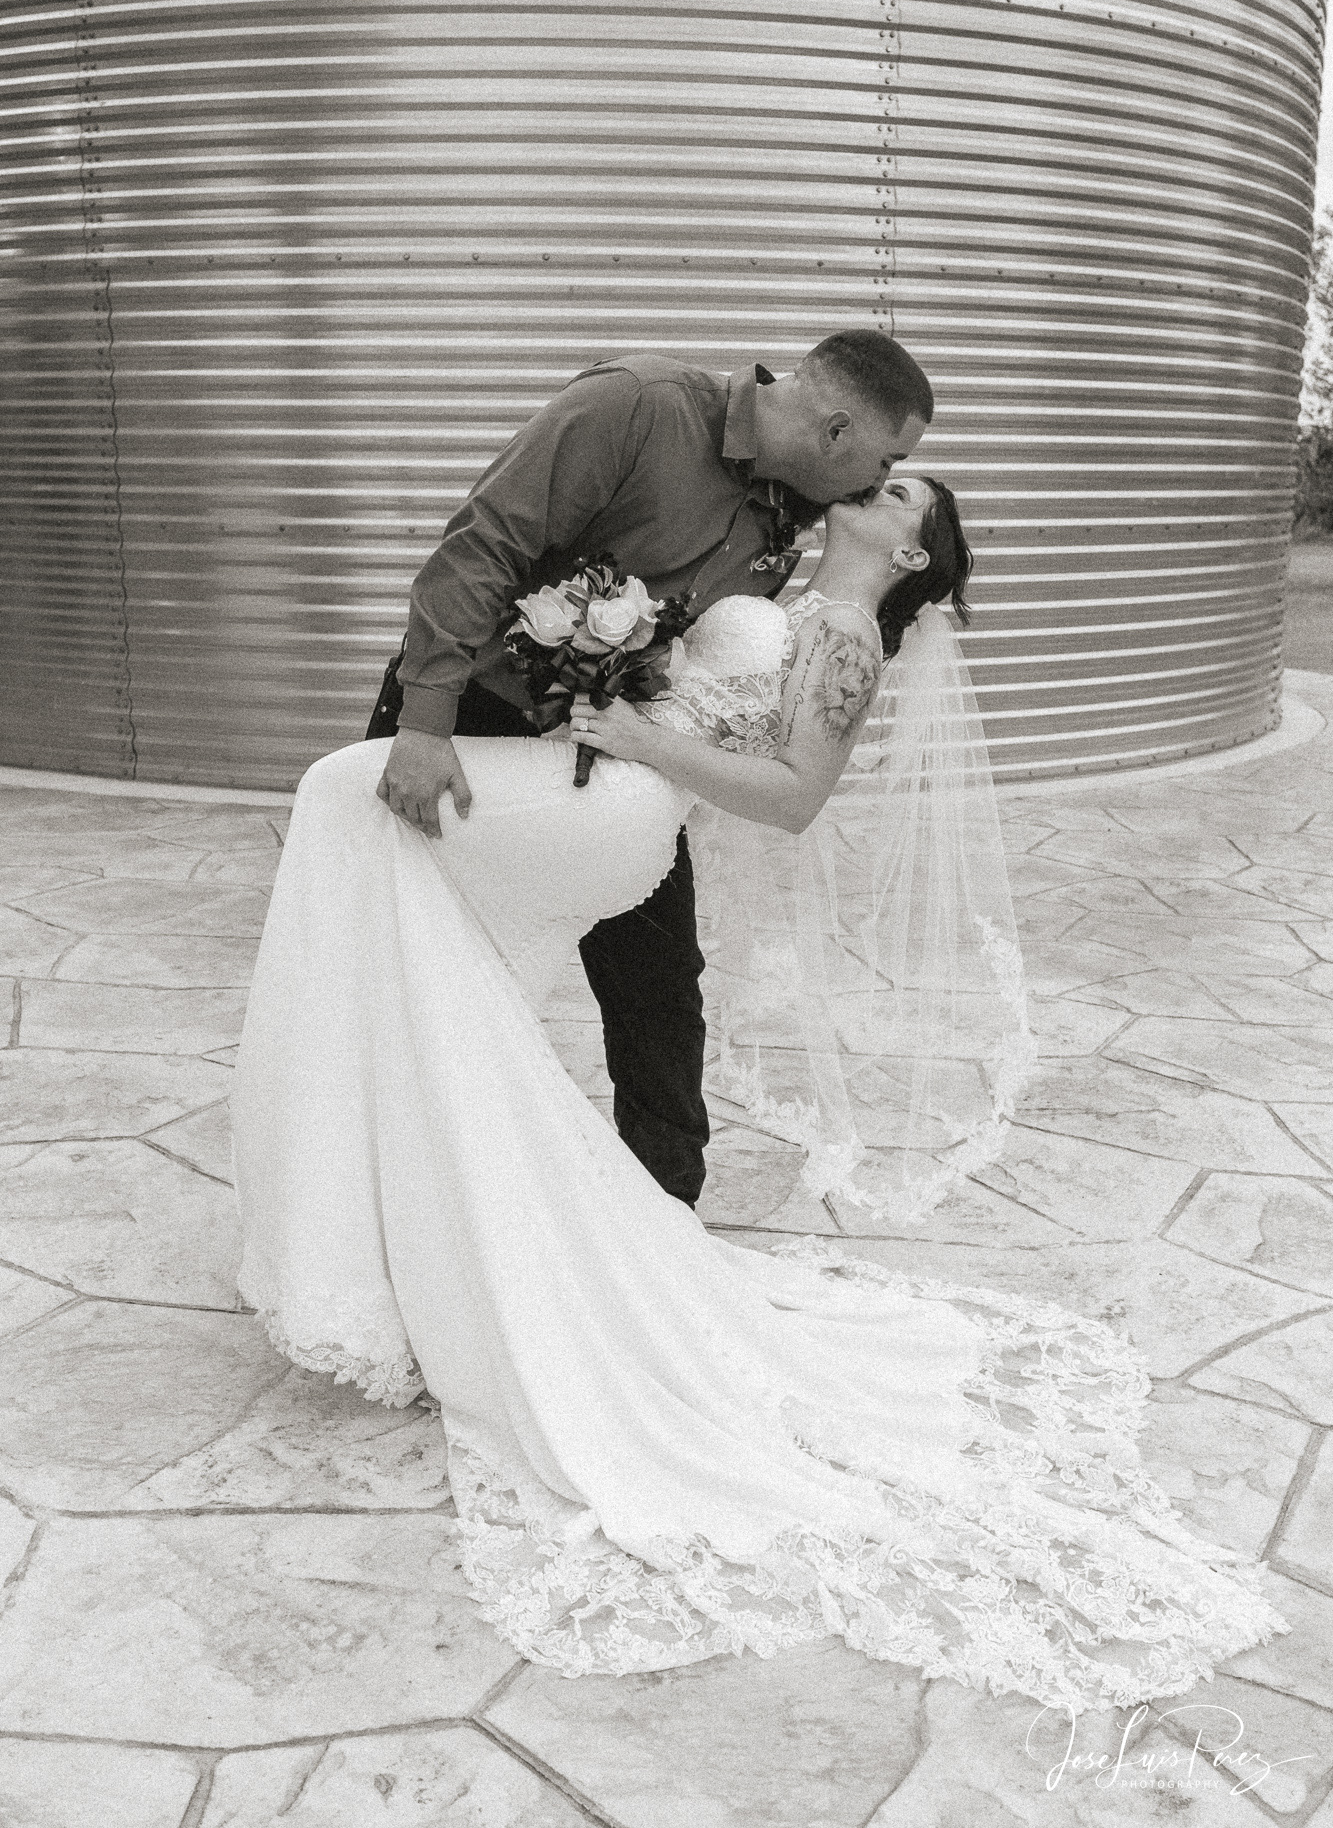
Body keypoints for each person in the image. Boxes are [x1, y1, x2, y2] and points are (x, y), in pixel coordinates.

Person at [232, 470, 1287, 1712]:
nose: (871, 484)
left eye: (899, 490)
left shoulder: (843, 637)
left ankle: (413, 1244)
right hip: (603, 777)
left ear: (909, 552)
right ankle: (414, 1241)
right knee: (426, 952)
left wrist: (640, 738)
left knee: (343, 797)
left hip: (628, 800)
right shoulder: (780, 583)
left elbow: (791, 798)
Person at [373, 332, 933, 1208]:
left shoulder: (794, 513)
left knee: (658, 986)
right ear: (834, 431)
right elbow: (482, 547)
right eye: (885, 460)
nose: (876, 482)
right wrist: (423, 724)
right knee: (414, 952)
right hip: (471, 714)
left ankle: (664, 1213)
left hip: (615, 752)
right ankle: (396, 1179)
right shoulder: (633, 406)